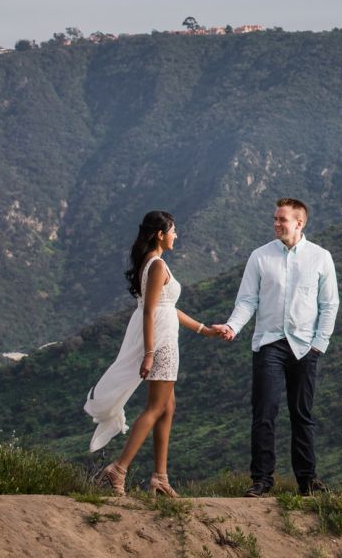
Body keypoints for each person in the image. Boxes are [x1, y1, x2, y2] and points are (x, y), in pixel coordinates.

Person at [84, 210, 221, 496]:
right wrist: (149, 352)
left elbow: (165, 307)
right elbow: (149, 311)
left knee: (168, 406)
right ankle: (118, 469)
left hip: (163, 336)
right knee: (156, 407)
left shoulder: (151, 264)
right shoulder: (157, 265)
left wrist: (203, 329)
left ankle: (160, 476)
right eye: (173, 230)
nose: (176, 235)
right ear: (160, 234)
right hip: (161, 342)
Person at [216, 198, 339, 497]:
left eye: (281, 220)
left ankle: (308, 481)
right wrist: (233, 326)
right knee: (264, 413)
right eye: (275, 219)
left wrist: (318, 345)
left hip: (305, 347)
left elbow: (329, 304)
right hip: (268, 343)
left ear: (300, 222)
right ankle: (261, 480)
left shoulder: (321, 258)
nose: (276, 224)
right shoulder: (259, 257)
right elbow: (247, 300)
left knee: (302, 414)